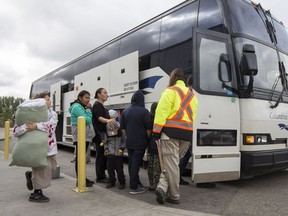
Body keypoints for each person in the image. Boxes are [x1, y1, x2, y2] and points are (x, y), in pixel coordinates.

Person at [152, 68, 198, 205]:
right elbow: (192, 116)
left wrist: (156, 131)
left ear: (172, 78)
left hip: (170, 133)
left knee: (171, 164)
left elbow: (161, 112)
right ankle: (162, 187)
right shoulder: (192, 96)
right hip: (187, 134)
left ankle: (174, 196)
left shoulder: (170, 92)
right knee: (172, 164)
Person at [14, 92, 58, 203]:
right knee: (41, 170)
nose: (50, 102)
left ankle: (30, 175)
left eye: (49, 99)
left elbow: (51, 127)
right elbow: (15, 131)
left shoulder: (52, 114)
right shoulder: (27, 114)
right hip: (36, 148)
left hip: (50, 147)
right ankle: (36, 193)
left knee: (52, 168)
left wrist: (36, 126)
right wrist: (26, 127)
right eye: (47, 99)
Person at [121, 90, 152, 195]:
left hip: (129, 141)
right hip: (140, 142)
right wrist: (147, 140)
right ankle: (134, 187)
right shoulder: (144, 111)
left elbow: (123, 129)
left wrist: (127, 139)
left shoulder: (125, 111)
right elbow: (148, 129)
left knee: (131, 163)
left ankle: (136, 183)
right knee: (136, 164)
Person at [68, 90, 95, 187]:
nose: (88, 100)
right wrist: (88, 110)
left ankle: (82, 178)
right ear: (80, 98)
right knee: (80, 157)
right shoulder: (77, 107)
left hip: (85, 135)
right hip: (80, 135)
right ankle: (80, 180)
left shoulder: (81, 107)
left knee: (82, 157)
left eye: (89, 98)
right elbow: (87, 120)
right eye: (86, 97)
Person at [92, 88, 112, 183]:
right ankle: (100, 177)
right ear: (99, 94)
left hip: (103, 134)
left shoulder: (101, 105)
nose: (107, 94)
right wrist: (108, 120)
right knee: (101, 155)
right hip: (100, 134)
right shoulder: (97, 105)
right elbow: (99, 117)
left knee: (103, 155)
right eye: (105, 92)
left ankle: (102, 175)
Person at [104, 109, 126, 190]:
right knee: (110, 169)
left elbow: (124, 141)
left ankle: (122, 182)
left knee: (119, 169)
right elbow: (105, 140)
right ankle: (111, 181)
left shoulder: (120, 130)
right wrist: (105, 148)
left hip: (118, 153)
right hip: (110, 153)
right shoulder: (107, 128)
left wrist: (121, 148)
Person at [147, 102, 161, 191]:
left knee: (150, 165)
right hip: (157, 143)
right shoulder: (159, 119)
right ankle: (156, 184)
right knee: (157, 165)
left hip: (150, 143)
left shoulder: (148, 118)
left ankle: (151, 184)